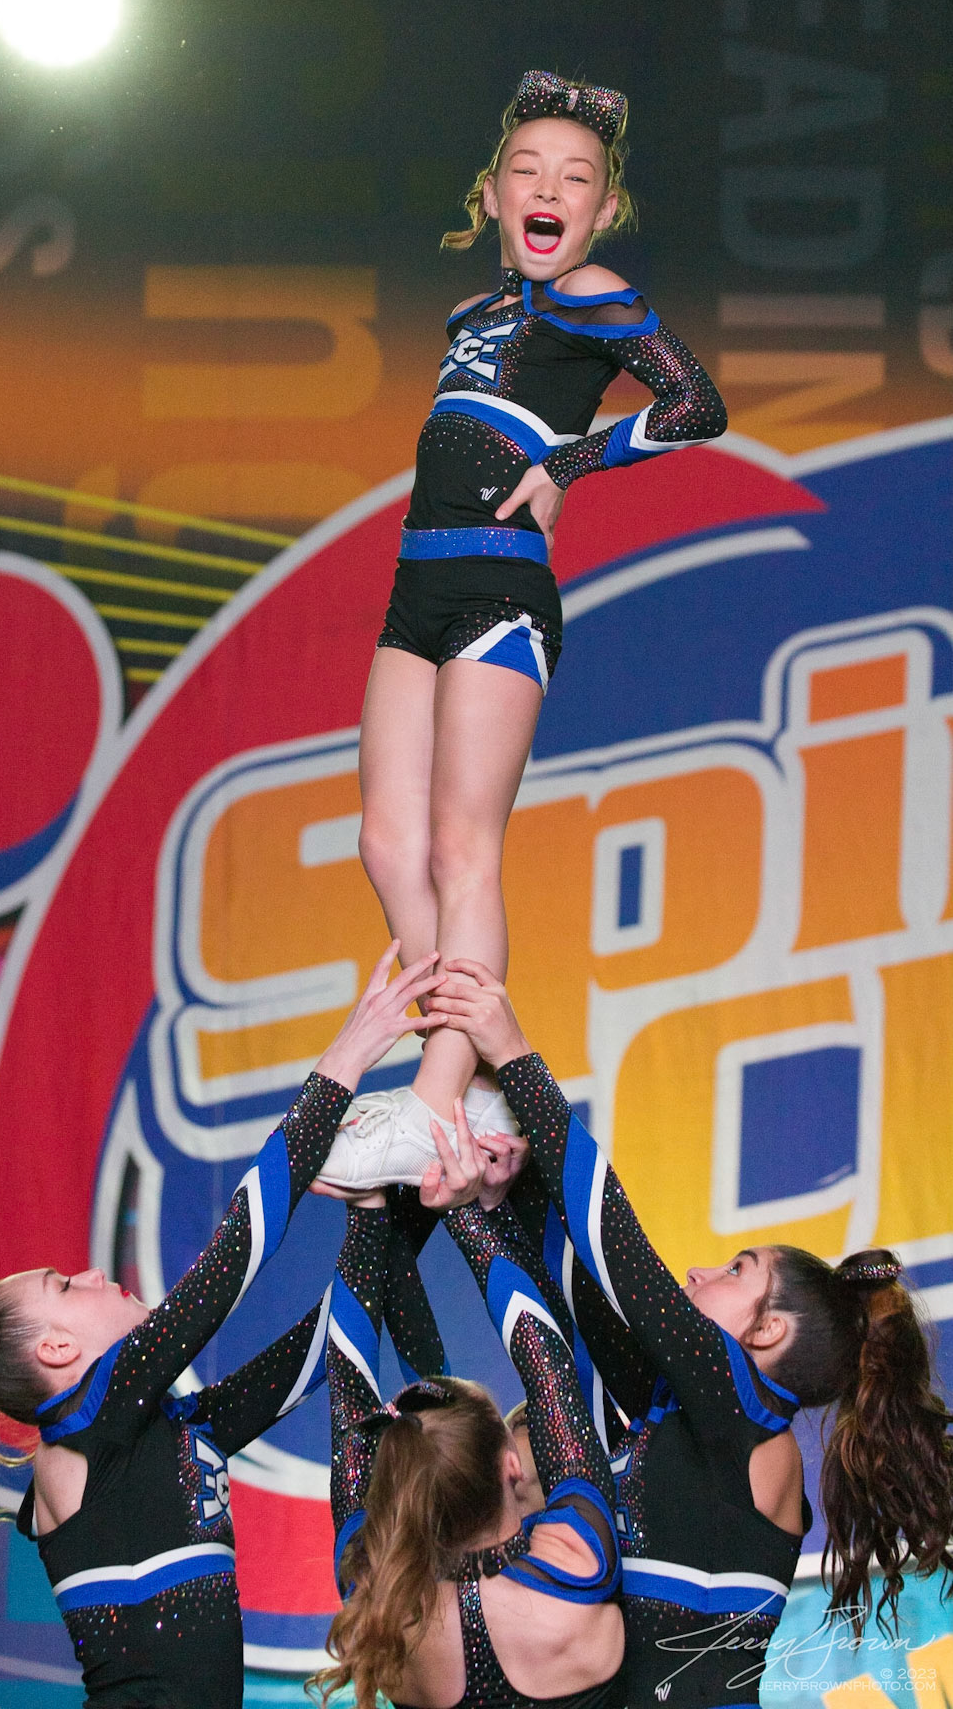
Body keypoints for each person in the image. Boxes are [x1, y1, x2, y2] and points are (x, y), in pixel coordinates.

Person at [319, 69, 727, 1191]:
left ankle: (435, 1098)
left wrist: (571, 460)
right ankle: (472, 1064)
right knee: (386, 845)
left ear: (603, 210)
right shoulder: (470, 316)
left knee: (463, 849)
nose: (549, 190)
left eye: (576, 178)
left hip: (500, 592)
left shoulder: (589, 291)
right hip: (415, 589)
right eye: (528, 171)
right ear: (493, 194)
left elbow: (696, 403)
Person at [0, 941, 442, 1709]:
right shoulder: (84, 1435)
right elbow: (234, 1258)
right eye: (68, 1285)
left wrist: (401, 1201)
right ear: (58, 1348)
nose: (94, 1273)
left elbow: (324, 1344)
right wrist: (348, 1056)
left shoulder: (169, 1431)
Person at [437, 959, 953, 1706]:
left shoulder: (752, 1423)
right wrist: (500, 1199)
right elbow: (582, 1316)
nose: (700, 1273)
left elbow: (621, 1257)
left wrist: (515, 1056)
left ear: (768, 1328)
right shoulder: (686, 1419)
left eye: (738, 1270)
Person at [315, 1142, 624, 1709]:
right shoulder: (574, 1563)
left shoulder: (384, 1606)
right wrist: (465, 1207)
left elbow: (346, 1390)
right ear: (511, 1463)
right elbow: (549, 1367)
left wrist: (367, 1220)